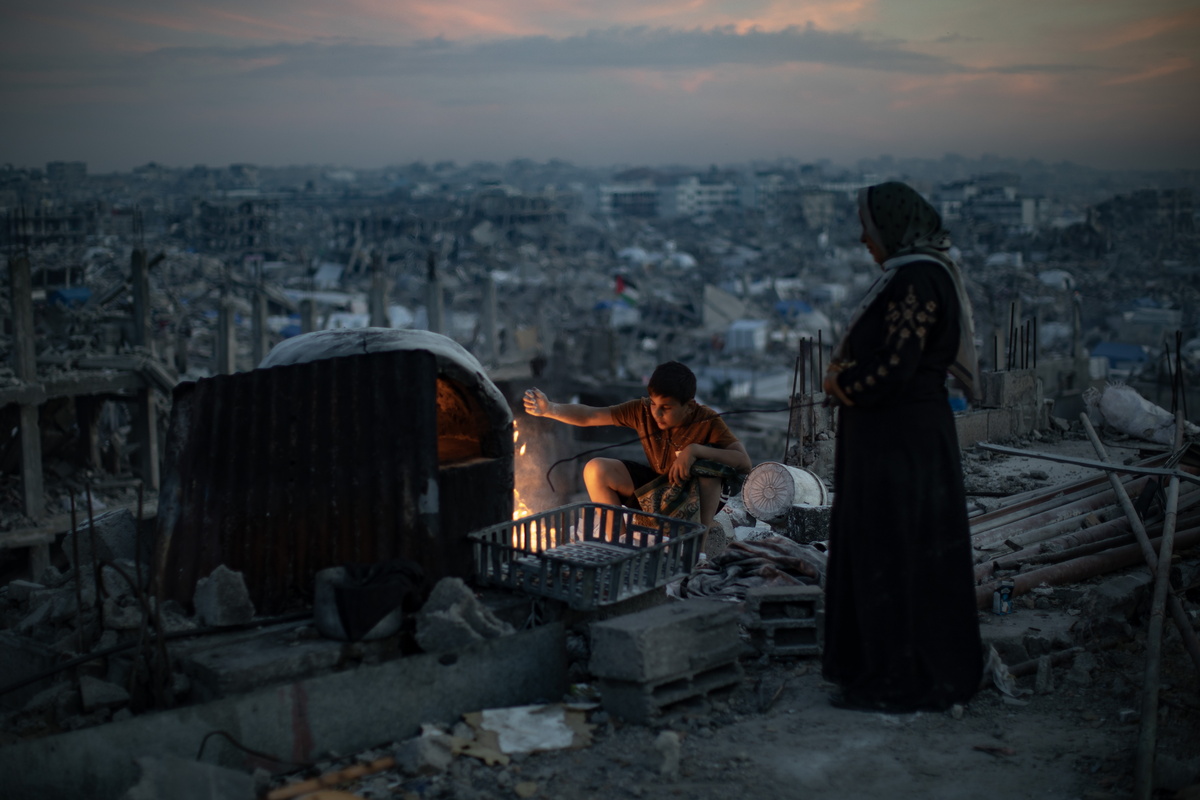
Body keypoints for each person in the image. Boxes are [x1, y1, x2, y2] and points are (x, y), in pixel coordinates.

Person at [820, 181, 983, 713]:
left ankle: (899, 678)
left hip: (899, 444)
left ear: (891, 226)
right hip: (896, 440)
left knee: (895, 550)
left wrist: (841, 384)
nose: (865, 239)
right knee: (898, 547)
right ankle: (884, 669)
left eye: (869, 228)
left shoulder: (916, 278)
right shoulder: (915, 273)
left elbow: (896, 367)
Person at [522, 361, 751, 552]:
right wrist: (550, 409)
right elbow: (590, 416)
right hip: (659, 490)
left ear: (689, 406)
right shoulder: (641, 412)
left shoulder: (706, 420)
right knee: (596, 469)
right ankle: (617, 543)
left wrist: (695, 450)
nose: (657, 414)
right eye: (654, 404)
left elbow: (743, 461)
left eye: (667, 408)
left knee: (708, 470)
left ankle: (697, 549)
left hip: (695, 499)